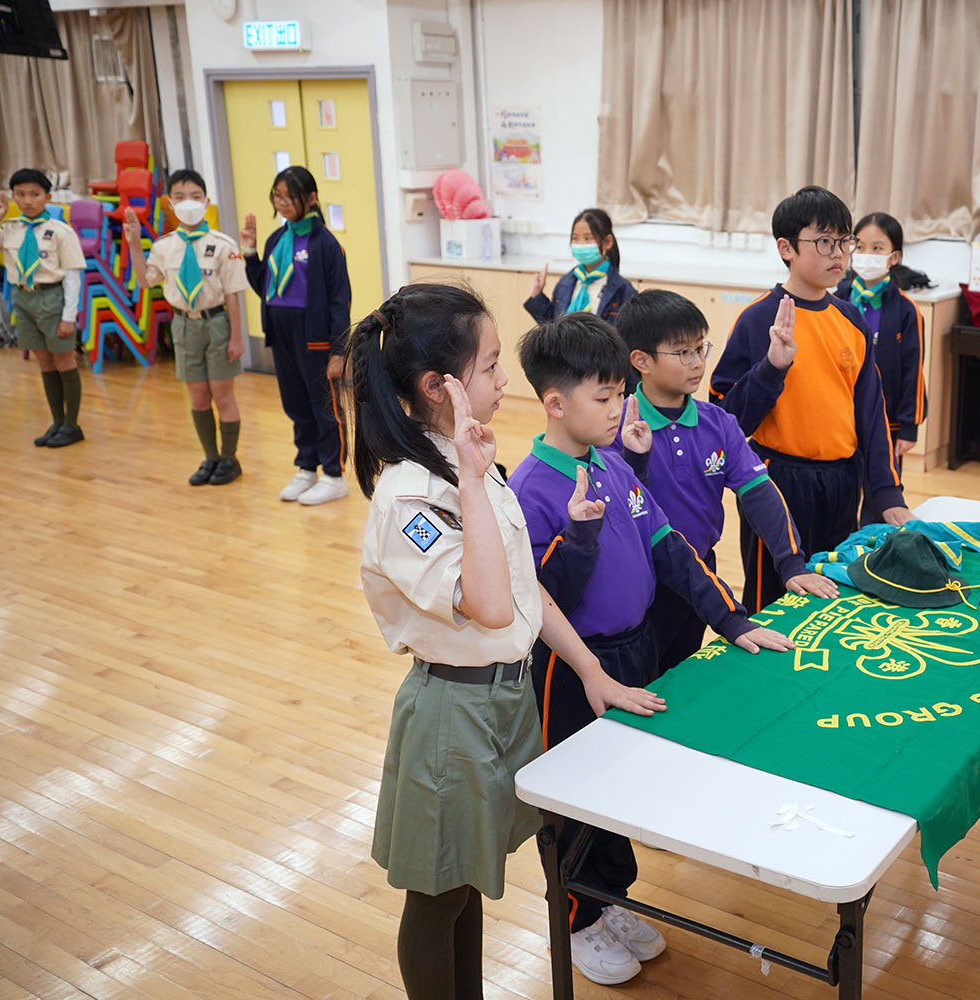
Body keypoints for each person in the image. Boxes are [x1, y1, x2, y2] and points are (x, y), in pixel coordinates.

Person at [348, 282, 665, 1000]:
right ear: (439, 387)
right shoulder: (412, 496)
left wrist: (590, 669)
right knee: (438, 896)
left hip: (502, 702)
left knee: (464, 885)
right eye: (489, 366)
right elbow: (490, 606)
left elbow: (527, 590)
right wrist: (469, 475)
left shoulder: (468, 466)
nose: (502, 381)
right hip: (450, 716)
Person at [509, 312, 791, 986]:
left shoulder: (611, 461)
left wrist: (733, 621)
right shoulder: (529, 488)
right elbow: (541, 600)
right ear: (555, 403)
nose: (619, 409)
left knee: (621, 787)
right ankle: (576, 917)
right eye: (604, 397)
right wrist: (577, 538)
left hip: (636, 649)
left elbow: (671, 549)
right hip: (574, 668)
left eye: (619, 394)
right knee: (577, 796)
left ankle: (609, 900)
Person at [607, 289, 838, 673]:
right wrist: (635, 457)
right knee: (641, 682)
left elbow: (759, 493)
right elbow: (623, 511)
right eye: (683, 352)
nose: (698, 362)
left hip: (701, 575)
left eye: (701, 348)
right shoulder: (615, 427)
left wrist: (792, 563)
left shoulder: (718, 423)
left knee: (683, 675)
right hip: (641, 584)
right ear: (641, 361)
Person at [710, 185, 913, 612]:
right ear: (786, 248)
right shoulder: (757, 319)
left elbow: (871, 415)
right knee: (772, 599)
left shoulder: (851, 319)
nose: (838, 254)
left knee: (835, 592)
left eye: (843, 241)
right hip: (778, 483)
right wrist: (771, 368)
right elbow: (725, 418)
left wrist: (887, 493)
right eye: (823, 242)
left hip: (842, 481)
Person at [122, 169, 248, 485]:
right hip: (183, 326)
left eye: (194, 196)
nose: (187, 202)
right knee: (198, 396)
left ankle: (229, 459)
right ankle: (210, 457)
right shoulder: (164, 246)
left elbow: (232, 295)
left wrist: (236, 337)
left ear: (206, 201)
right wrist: (134, 244)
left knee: (222, 395)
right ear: (170, 203)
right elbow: (144, 280)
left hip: (216, 324)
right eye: (179, 197)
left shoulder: (222, 244)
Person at [240, 165, 352, 505]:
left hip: (314, 335)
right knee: (295, 403)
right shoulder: (277, 239)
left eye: (290, 196)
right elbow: (265, 286)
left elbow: (340, 300)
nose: (282, 202)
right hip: (281, 332)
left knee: (323, 406)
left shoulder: (325, 244)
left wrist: (339, 350)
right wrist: (250, 253)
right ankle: (306, 467)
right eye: (277, 196)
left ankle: (333, 474)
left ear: (311, 198)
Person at [0, 169, 86, 447]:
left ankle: (72, 425)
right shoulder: (10, 228)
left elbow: (72, 277)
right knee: (44, 362)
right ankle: (57, 422)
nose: (27, 201)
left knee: (64, 361)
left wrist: (68, 317)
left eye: (35, 194)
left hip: (52, 298)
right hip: (23, 299)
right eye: (20, 195)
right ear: (13, 197)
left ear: (47, 197)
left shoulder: (61, 232)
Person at [834, 212, 926, 523]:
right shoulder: (837, 298)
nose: (866, 255)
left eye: (877, 248)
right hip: (840, 418)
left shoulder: (906, 310)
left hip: (886, 423)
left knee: (879, 501)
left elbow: (913, 373)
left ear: (894, 257)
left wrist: (908, 427)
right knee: (841, 497)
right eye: (859, 246)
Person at [523, 207, 637, 325]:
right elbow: (553, 324)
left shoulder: (624, 290)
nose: (580, 244)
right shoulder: (565, 283)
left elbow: (628, 331)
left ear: (607, 242)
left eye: (588, 238)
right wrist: (537, 295)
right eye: (575, 238)